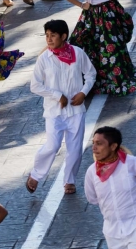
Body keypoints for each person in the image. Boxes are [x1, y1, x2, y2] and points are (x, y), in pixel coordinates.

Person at [26, 20, 96, 194]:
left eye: (53, 35)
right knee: (52, 145)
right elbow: (35, 85)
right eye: (47, 35)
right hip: (53, 111)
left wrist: (83, 92)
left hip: (75, 110)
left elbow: (91, 74)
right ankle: (36, 173)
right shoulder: (44, 59)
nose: (49, 39)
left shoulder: (78, 54)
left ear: (64, 36)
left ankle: (69, 181)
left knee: (75, 148)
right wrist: (57, 96)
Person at [84, 126, 136, 249]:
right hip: (112, 231)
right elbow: (92, 198)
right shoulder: (91, 172)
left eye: (99, 144)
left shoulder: (131, 163)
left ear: (113, 146)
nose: (94, 148)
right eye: (93, 143)